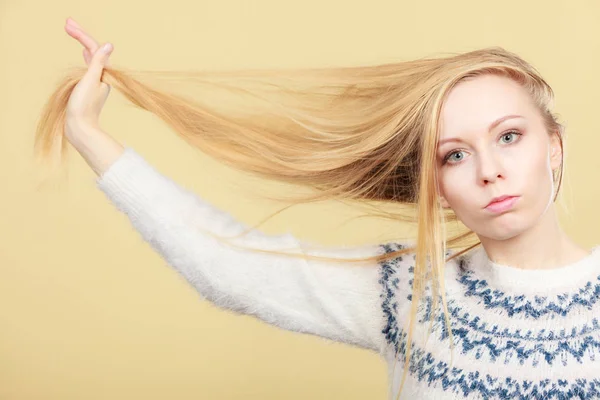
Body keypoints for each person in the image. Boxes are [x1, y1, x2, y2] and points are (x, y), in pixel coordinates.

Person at [35, 17, 600, 399]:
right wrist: (87, 133)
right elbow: (232, 266)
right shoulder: (411, 294)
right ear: (436, 186)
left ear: (553, 145)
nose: (488, 170)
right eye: (454, 154)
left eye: (508, 137)